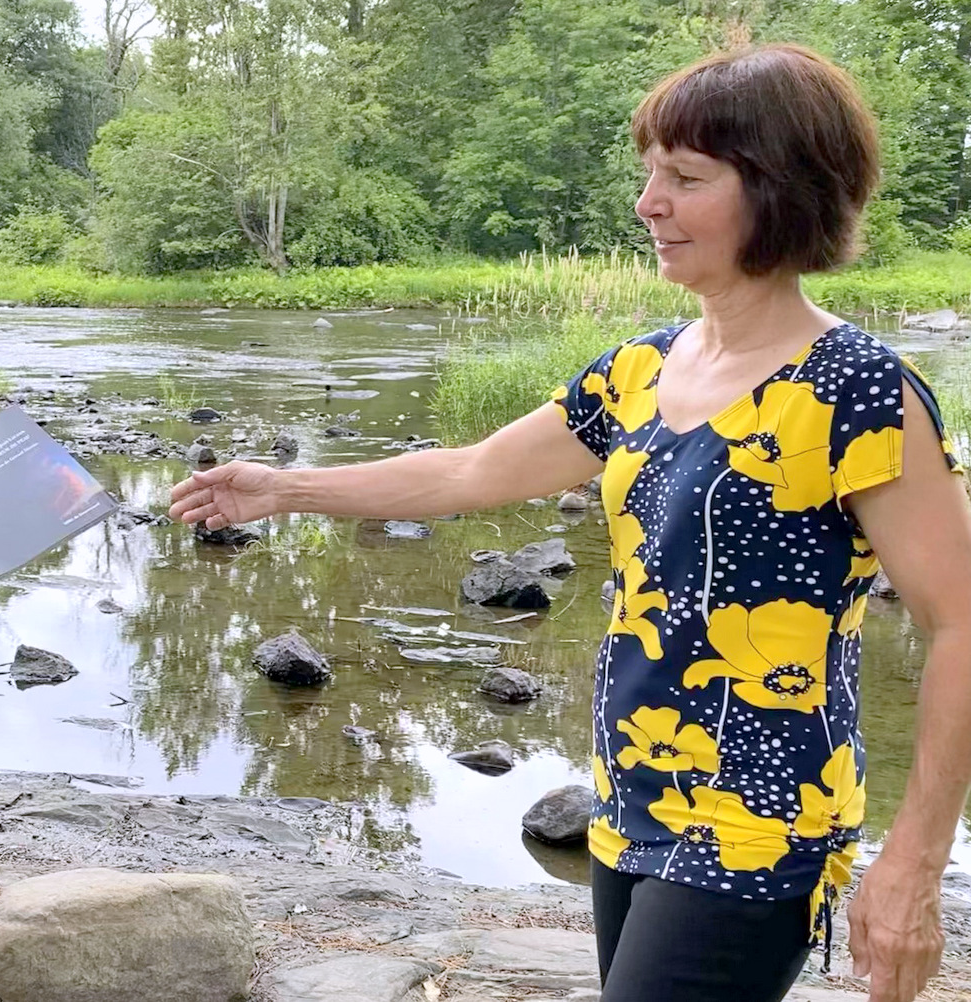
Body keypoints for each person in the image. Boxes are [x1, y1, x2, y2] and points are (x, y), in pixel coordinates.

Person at [170, 44, 971, 1002]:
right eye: (649, 175)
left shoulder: (858, 390)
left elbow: (959, 621)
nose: (648, 204)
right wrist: (283, 489)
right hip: (630, 787)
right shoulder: (637, 369)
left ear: (782, 191)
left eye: (684, 178)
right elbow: (469, 472)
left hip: (759, 818)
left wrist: (914, 860)